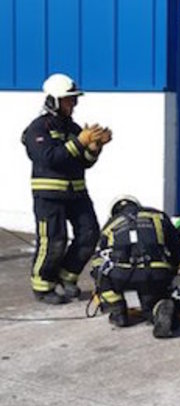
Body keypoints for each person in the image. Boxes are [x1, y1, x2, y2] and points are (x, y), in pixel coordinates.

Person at [22, 73, 111, 304]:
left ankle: (66, 277)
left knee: (90, 234)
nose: (73, 104)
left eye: (74, 99)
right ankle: (43, 286)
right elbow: (49, 158)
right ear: (53, 100)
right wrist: (80, 142)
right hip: (49, 196)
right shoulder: (38, 128)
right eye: (68, 99)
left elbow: (83, 162)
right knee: (53, 240)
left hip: (77, 192)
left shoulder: (73, 127)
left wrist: (94, 148)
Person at [90, 196, 180, 338]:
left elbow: (98, 258)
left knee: (99, 270)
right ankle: (158, 310)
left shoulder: (111, 224)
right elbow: (178, 247)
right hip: (156, 272)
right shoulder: (158, 216)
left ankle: (118, 312)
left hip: (123, 275)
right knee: (151, 303)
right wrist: (172, 271)